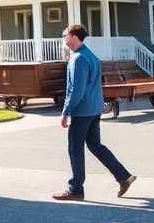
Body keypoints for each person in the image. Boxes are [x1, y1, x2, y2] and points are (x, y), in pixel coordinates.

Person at [53, 24, 136, 201]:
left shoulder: (79, 59)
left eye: (65, 35)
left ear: (75, 37)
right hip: (94, 109)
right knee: (95, 145)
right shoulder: (90, 55)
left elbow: (76, 90)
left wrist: (66, 112)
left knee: (75, 149)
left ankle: (75, 189)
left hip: (83, 112)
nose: (63, 38)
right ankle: (123, 176)